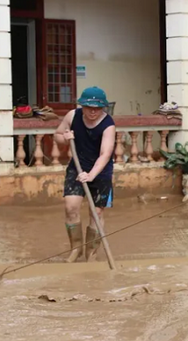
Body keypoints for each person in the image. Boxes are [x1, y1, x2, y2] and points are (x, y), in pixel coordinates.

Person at [54, 86, 116, 263]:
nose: (93, 112)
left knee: (95, 212)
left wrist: (91, 175)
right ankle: (76, 249)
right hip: (77, 167)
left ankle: (91, 254)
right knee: (70, 207)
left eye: (97, 108)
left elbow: (105, 154)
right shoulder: (72, 116)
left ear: (102, 107)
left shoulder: (108, 125)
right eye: (89, 108)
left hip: (101, 172)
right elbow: (57, 135)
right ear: (83, 106)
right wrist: (64, 138)